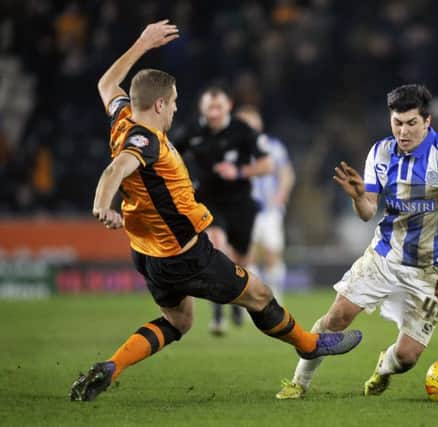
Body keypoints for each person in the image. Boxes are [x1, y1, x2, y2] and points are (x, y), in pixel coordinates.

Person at [70, 20, 362, 402]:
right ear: (159, 104)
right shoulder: (145, 141)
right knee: (258, 294)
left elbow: (107, 84)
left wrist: (141, 43)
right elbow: (116, 169)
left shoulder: (123, 119)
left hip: (147, 253)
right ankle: (309, 344)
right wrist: (100, 205)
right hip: (185, 255)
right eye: (173, 101)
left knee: (179, 321)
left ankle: (113, 366)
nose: (176, 107)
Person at [276, 84, 438, 399]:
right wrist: (358, 198)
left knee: (407, 358)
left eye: (411, 123)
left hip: (428, 269)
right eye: (397, 122)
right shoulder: (381, 152)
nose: (403, 131)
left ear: (427, 121)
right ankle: (298, 382)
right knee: (337, 317)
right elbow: (368, 211)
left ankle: (384, 367)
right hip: (384, 257)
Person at [174, 84, 271, 336]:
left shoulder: (243, 131)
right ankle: (218, 316)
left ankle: (238, 304)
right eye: (209, 108)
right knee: (217, 247)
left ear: (228, 106)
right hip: (208, 203)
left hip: (240, 202)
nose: (214, 112)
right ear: (202, 109)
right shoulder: (192, 131)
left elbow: (266, 164)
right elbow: (169, 154)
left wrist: (238, 172)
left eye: (218, 107)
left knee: (242, 259)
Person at [236, 105, 295, 302]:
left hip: (269, 210)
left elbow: (286, 173)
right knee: (247, 256)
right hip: (244, 211)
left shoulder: (273, 146)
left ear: (259, 124)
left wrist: (281, 194)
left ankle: (275, 298)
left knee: (272, 254)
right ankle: (252, 300)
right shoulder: (234, 149)